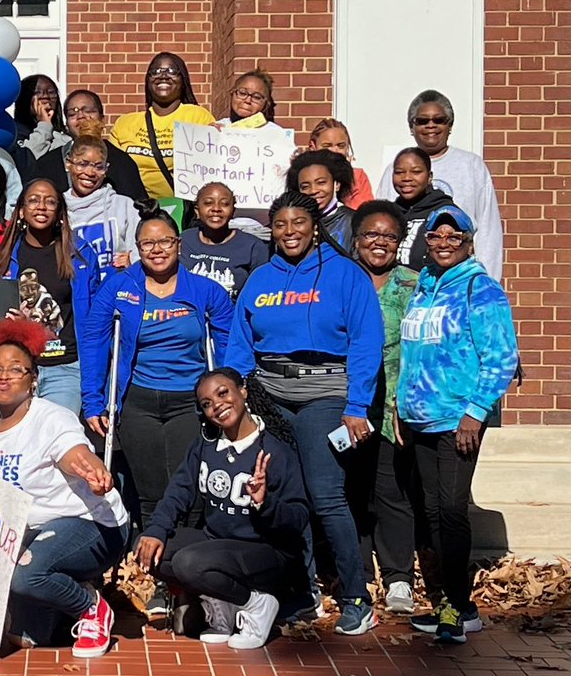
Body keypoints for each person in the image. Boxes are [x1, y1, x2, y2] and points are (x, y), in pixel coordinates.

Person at [224, 191, 384, 636]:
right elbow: (240, 343)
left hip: (326, 394)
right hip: (269, 395)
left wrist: (357, 406)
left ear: (315, 227)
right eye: (280, 225)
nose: (289, 232)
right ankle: (303, 592)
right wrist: (231, 390)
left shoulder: (346, 275)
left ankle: (356, 597)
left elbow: (366, 343)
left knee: (325, 494)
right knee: (285, 493)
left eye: (298, 223)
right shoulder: (260, 279)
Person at [0, 318, 128, 657]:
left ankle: (92, 609)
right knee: (27, 638)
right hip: (30, 533)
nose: (4, 376)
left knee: (27, 577)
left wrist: (91, 469)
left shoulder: (52, 418)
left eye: (16, 370)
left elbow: (74, 452)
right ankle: (65, 588)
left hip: (92, 524)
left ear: (33, 379)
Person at [80, 207, 234, 618]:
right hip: (139, 403)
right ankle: (161, 583)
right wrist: (94, 400)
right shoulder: (118, 288)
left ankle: (192, 578)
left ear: (178, 245)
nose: (157, 250)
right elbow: (95, 341)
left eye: (165, 241)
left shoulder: (206, 292)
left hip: (190, 402)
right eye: (148, 243)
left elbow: (230, 348)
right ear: (138, 248)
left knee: (191, 494)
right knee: (151, 496)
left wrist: (229, 396)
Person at [399, 206, 519, 643]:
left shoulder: (480, 289)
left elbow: (501, 359)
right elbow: (413, 353)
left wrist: (475, 412)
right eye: (436, 236)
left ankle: (460, 607)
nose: (444, 242)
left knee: (451, 511)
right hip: (420, 418)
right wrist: (401, 404)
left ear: (469, 241)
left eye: (454, 236)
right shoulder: (424, 285)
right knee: (430, 511)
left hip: (458, 419)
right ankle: (448, 602)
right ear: (426, 241)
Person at [135, 369, 309, 649]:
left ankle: (257, 604)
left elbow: (298, 517)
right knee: (149, 550)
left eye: (223, 393)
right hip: (218, 542)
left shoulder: (274, 451)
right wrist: (155, 530)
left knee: (188, 563)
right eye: (206, 403)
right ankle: (224, 605)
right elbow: (179, 491)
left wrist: (264, 503)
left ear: (243, 391)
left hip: (266, 552)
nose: (216, 405)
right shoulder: (206, 445)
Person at [349, 201, 420, 616]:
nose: (380, 243)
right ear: (356, 239)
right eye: (371, 234)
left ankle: (398, 578)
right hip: (349, 404)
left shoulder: (416, 284)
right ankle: (357, 572)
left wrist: (406, 403)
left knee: (392, 491)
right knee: (351, 490)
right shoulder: (341, 279)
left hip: (396, 402)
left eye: (389, 236)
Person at [0, 179, 98, 414]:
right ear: (20, 211)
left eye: (50, 202)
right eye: (34, 200)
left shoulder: (81, 256)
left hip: (65, 368)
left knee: (54, 439)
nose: (41, 207)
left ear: (60, 212)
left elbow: (95, 318)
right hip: (16, 369)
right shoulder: (1, 258)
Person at [375, 90, 503, 281]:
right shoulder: (395, 168)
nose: (430, 125)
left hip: (455, 278)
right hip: (402, 282)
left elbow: (488, 231)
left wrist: (486, 282)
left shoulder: (471, 166)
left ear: (450, 125)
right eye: (422, 121)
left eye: (439, 120)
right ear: (412, 127)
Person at [109, 52, 214, 201]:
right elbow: (114, 170)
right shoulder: (124, 123)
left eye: (172, 71)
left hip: (182, 212)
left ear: (182, 80)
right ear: (148, 80)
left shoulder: (198, 117)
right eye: (156, 71)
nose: (163, 76)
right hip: (136, 210)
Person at [213, 69, 294, 238]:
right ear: (232, 94)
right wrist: (206, 140)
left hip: (263, 228)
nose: (247, 100)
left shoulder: (278, 137)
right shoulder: (215, 129)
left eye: (257, 97)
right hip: (221, 226)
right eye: (242, 93)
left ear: (266, 104)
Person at [27, 89, 146, 202]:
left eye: (88, 111)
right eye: (72, 113)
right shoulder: (48, 164)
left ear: (102, 119)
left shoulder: (122, 162)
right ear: (67, 124)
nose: (80, 116)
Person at [62, 135, 140, 281]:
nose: (90, 173)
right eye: (82, 164)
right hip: (76, 295)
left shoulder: (124, 206)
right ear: (68, 163)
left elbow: (138, 252)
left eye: (98, 167)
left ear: (106, 169)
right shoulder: (59, 210)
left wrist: (132, 263)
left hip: (117, 292)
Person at [179, 182, 270, 299]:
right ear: (197, 210)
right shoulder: (185, 240)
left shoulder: (253, 246)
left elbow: (260, 293)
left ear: (233, 210)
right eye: (208, 203)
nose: (216, 209)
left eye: (224, 204)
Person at [387, 147, 457, 272]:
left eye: (416, 172)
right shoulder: (390, 213)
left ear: (429, 176)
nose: (406, 178)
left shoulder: (446, 214)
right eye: (399, 172)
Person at [286, 149, 356, 250]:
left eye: (321, 183)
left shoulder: (354, 222)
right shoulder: (291, 225)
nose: (313, 190)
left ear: (336, 184)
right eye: (305, 186)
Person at [309, 119, 373, 209]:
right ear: (313, 146)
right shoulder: (302, 177)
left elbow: (363, 215)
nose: (334, 151)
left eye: (341, 146)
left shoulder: (357, 177)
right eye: (327, 146)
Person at [13, 74, 70, 162]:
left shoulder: (65, 136)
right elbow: (27, 159)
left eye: (51, 92)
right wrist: (44, 125)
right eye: (37, 92)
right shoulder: (14, 134)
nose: (45, 96)